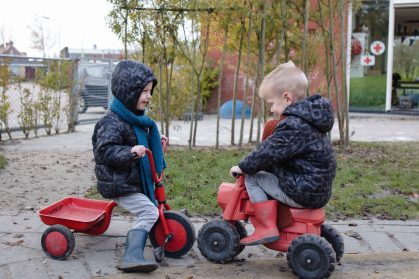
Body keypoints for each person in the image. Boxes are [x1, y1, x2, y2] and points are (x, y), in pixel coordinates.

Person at [230, 61, 336, 246]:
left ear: (287, 98)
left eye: (272, 103)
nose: (271, 110)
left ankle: (266, 227)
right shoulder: (311, 119)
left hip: (303, 191)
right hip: (318, 188)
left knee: (253, 176)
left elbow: (268, 152)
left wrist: (243, 166)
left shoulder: (293, 125)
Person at [92, 60, 166, 273]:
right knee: (150, 212)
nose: (148, 96)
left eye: (150, 91)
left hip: (130, 179)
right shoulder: (110, 122)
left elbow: (137, 135)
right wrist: (130, 151)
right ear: (128, 92)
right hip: (119, 183)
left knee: (151, 208)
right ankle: (131, 255)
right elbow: (105, 151)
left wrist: (155, 138)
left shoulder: (135, 119)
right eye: (143, 91)